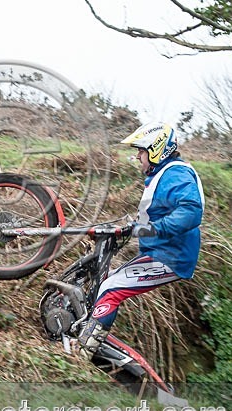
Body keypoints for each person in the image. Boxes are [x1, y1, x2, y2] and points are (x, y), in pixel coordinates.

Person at [77, 121, 205, 361]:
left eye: (141, 151)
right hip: (162, 253)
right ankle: (89, 335)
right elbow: (150, 218)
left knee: (110, 289)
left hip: (171, 257)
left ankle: (81, 356)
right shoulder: (162, 175)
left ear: (157, 150)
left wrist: (153, 229)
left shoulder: (176, 173)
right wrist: (125, 230)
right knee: (103, 279)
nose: (137, 156)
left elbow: (191, 211)